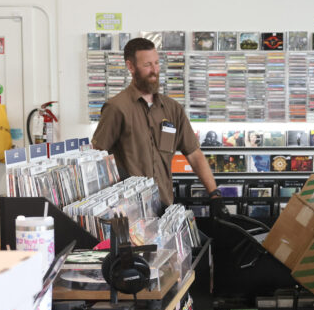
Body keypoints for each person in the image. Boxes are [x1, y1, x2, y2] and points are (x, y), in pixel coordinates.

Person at [93, 38, 220, 209]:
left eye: (156, 63)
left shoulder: (172, 109)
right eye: (147, 65)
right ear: (131, 67)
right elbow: (97, 157)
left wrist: (214, 194)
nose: (154, 70)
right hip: (131, 211)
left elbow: (194, 153)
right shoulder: (117, 108)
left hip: (165, 206)